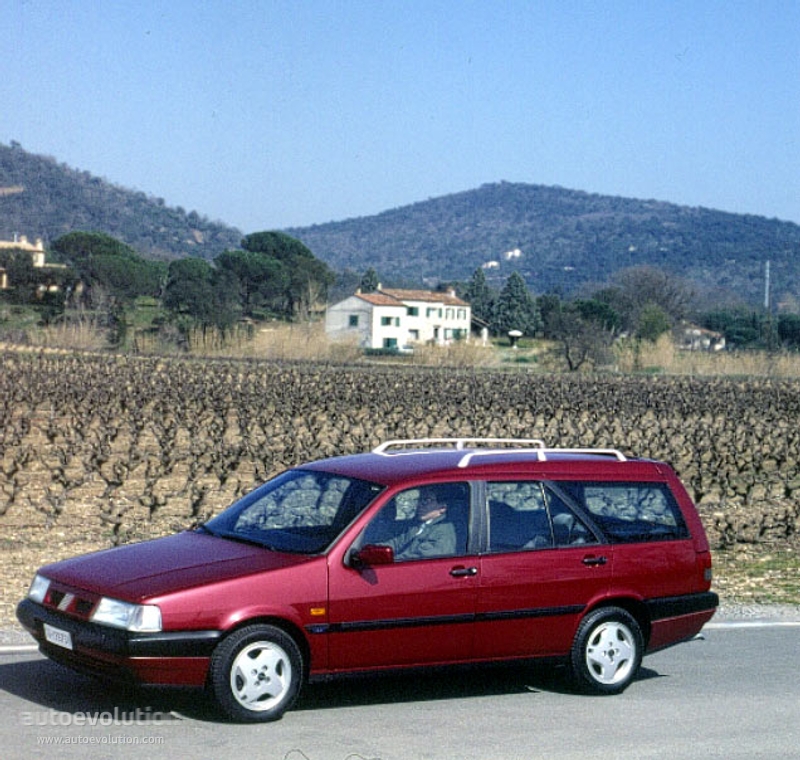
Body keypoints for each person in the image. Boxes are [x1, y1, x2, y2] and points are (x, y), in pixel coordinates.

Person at [383, 489, 457, 560]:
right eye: (419, 499)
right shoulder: (417, 525)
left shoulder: (443, 533)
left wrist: (392, 560)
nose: (420, 504)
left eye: (427, 500)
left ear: (442, 508)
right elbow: (396, 542)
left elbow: (419, 558)